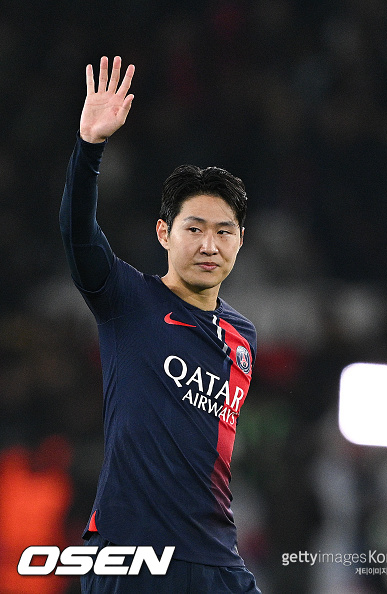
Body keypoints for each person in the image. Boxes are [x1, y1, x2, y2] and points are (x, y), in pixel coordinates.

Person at [59, 56, 261, 593]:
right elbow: (78, 234)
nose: (209, 245)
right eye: (194, 228)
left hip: (216, 559)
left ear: (240, 241)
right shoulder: (127, 299)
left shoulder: (244, 338)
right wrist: (89, 147)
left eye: (224, 231)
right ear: (163, 233)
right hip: (132, 556)